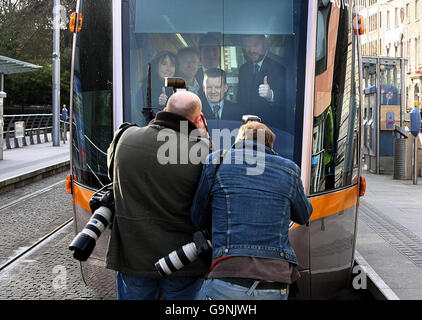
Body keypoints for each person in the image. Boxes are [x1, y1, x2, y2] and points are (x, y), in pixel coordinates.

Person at [106, 91, 211, 300]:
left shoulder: (125, 137)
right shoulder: (203, 151)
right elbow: (208, 202)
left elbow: (112, 174)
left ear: (164, 111)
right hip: (184, 263)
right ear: (198, 120)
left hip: (133, 257)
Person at [191, 120, 313, 300]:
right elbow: (304, 215)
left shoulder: (216, 161)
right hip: (275, 281)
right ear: (270, 144)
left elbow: (197, 217)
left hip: (228, 273)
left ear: (239, 140)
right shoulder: (289, 169)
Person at [237, 35, 287, 126]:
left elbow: (291, 98)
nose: (251, 50)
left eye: (255, 45)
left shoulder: (280, 65)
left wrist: (271, 95)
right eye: (247, 47)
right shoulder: (243, 69)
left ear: (265, 43)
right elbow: (240, 101)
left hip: (274, 128)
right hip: (248, 127)